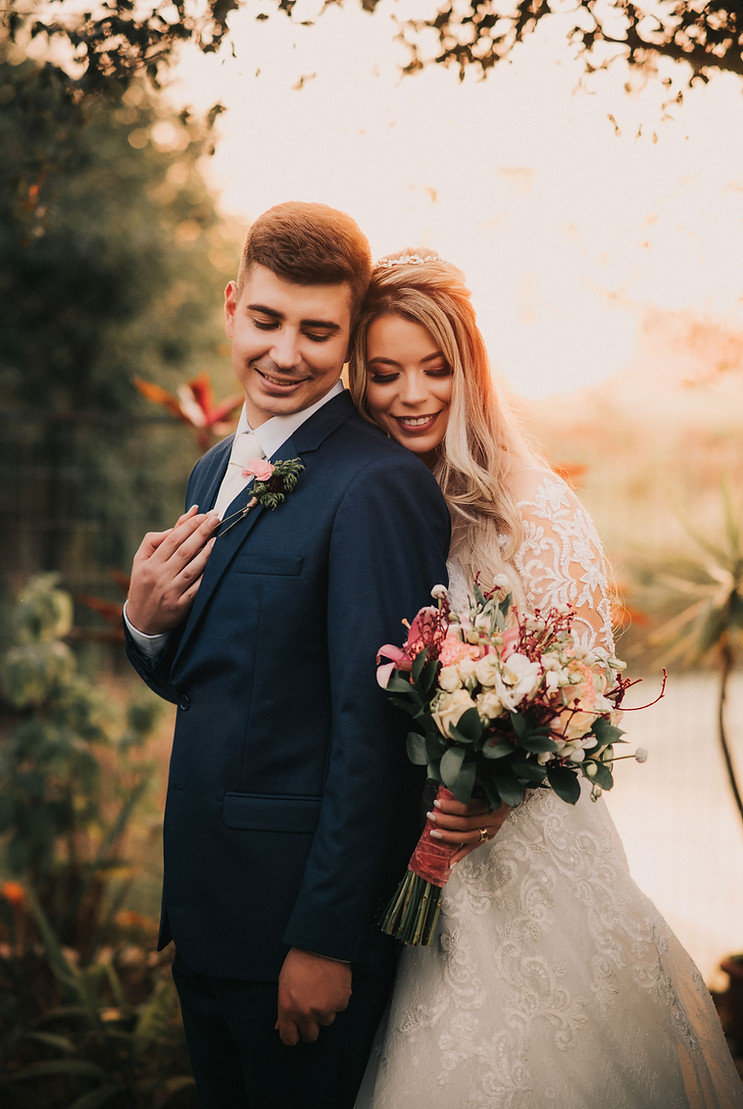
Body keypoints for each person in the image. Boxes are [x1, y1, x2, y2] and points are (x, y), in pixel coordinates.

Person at [347, 249, 743, 1108]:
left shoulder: (535, 508)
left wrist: (500, 788)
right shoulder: (387, 498)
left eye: (434, 368)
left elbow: (584, 692)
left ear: (471, 369)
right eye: (384, 373)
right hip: (419, 858)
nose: (411, 393)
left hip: (523, 856)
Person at [122, 204, 455, 1109]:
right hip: (208, 914)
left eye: (317, 331)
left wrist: (326, 938)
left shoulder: (377, 485)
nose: (284, 352)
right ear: (233, 305)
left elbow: (376, 731)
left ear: (348, 339)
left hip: (294, 939)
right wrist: (145, 624)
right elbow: (220, 676)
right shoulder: (212, 470)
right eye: (266, 320)